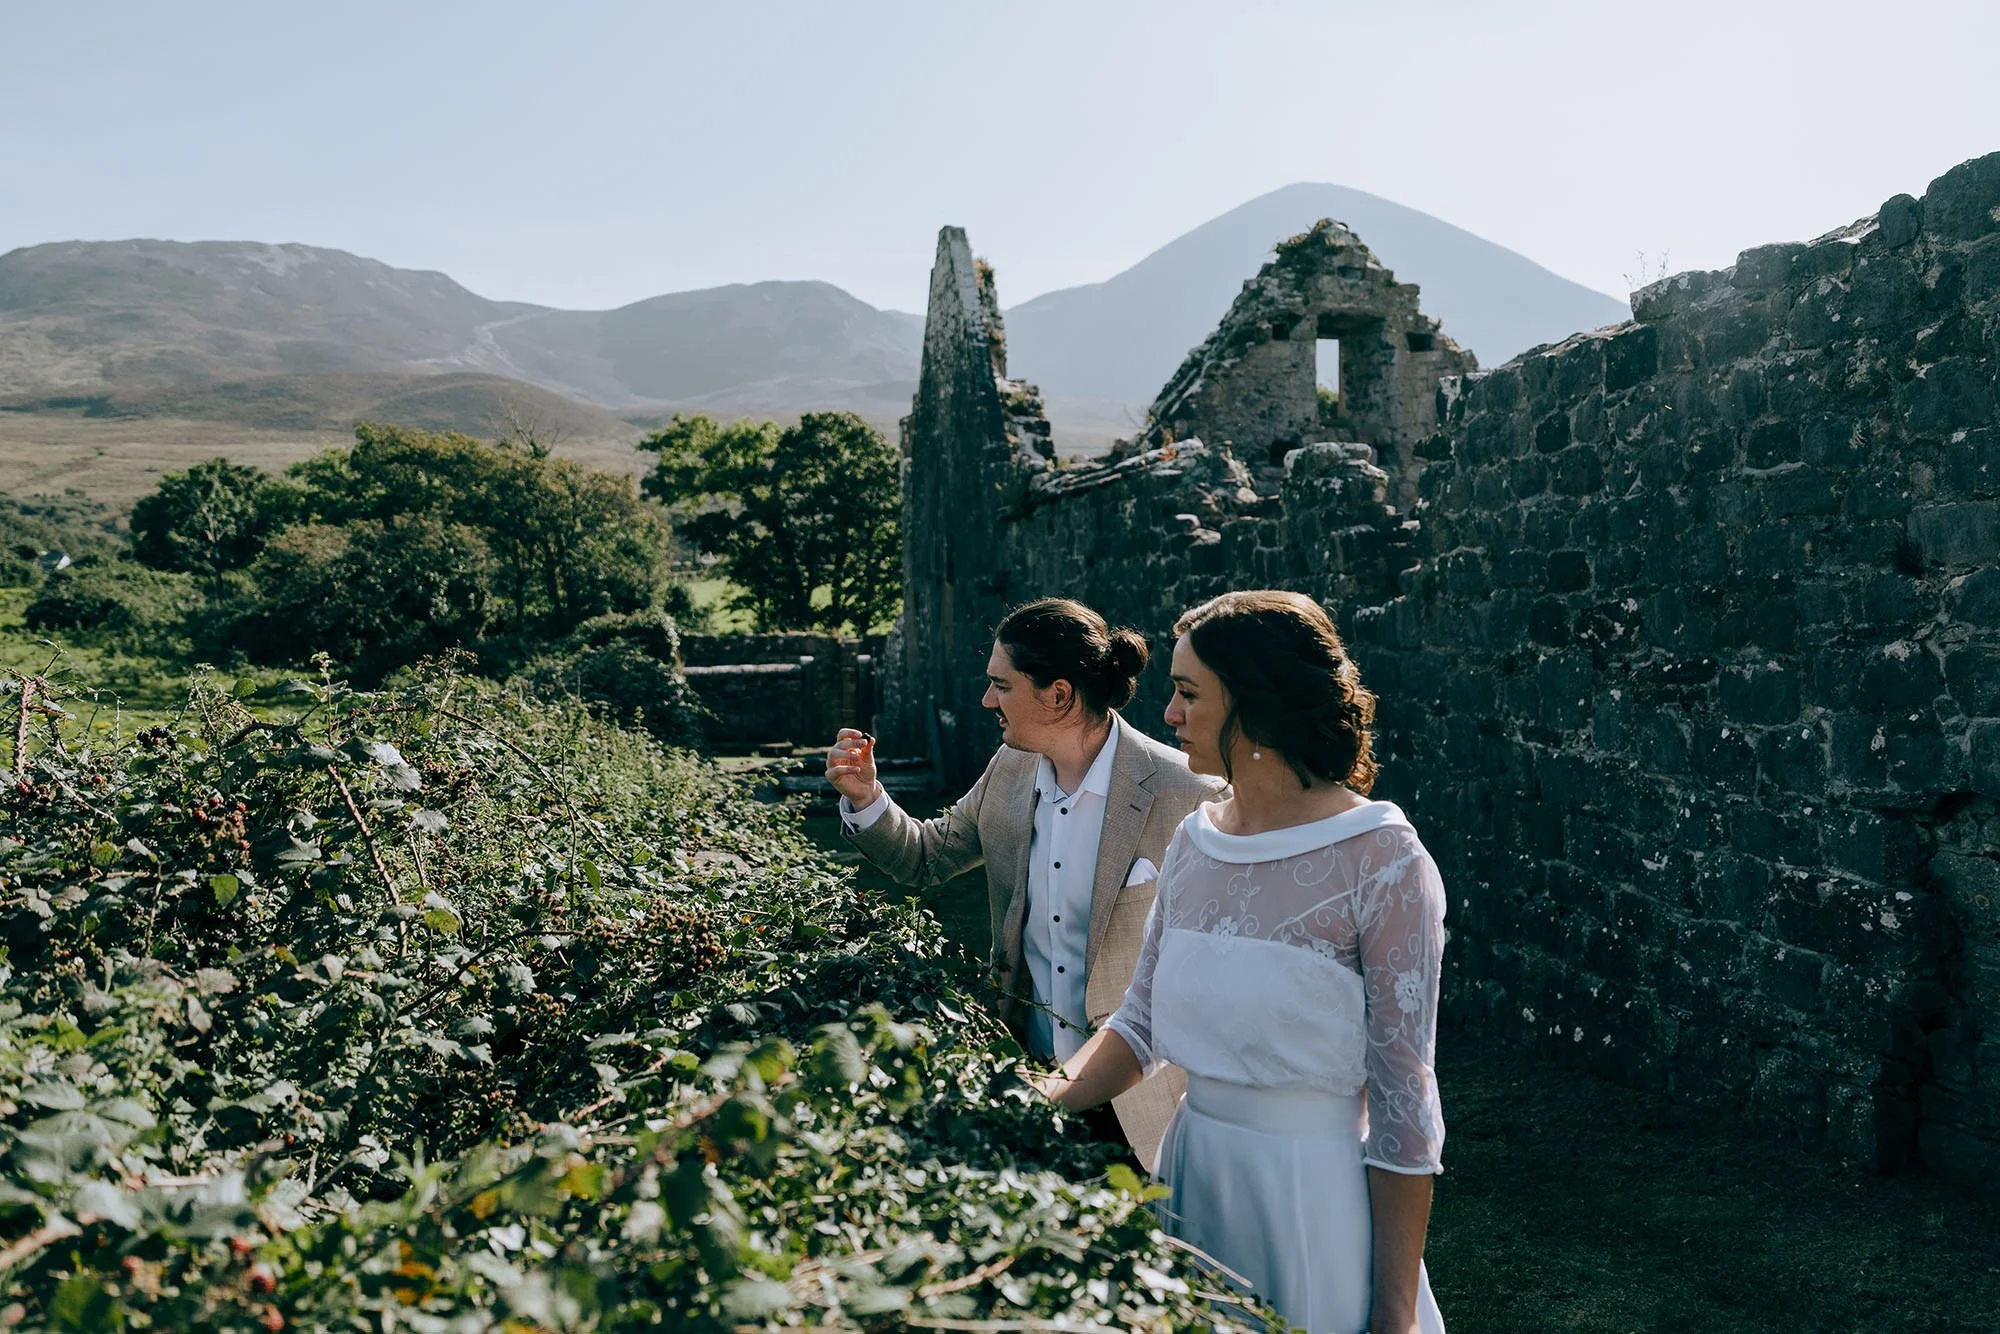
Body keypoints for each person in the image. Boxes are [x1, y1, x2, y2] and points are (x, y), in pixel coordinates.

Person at [1036, 589, 1447, 1334]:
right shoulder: (1195, 841)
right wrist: (1032, 1102)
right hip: (1192, 1181)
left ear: (1257, 706)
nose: (1168, 714)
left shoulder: (1382, 858)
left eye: (1190, 694)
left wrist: (1394, 1314)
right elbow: (1141, 1024)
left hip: (1308, 1203)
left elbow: (1403, 1103)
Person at [825, 597, 1224, 1168]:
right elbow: (926, 858)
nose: (987, 700)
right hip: (1029, 1089)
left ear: (1058, 695)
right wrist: (866, 799)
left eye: (1001, 685)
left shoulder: (1189, 794)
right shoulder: (1009, 768)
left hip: (1149, 1112)